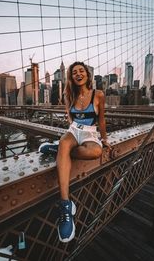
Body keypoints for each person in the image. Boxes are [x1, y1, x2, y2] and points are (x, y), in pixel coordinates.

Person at [39, 61, 112, 243]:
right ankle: (66, 205)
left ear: (87, 74)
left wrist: (104, 139)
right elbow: (70, 119)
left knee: (95, 152)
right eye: (74, 72)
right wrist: (70, 135)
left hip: (90, 133)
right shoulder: (68, 94)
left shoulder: (98, 95)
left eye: (81, 71)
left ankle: (59, 151)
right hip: (73, 130)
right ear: (71, 77)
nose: (78, 74)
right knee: (65, 142)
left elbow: (101, 120)